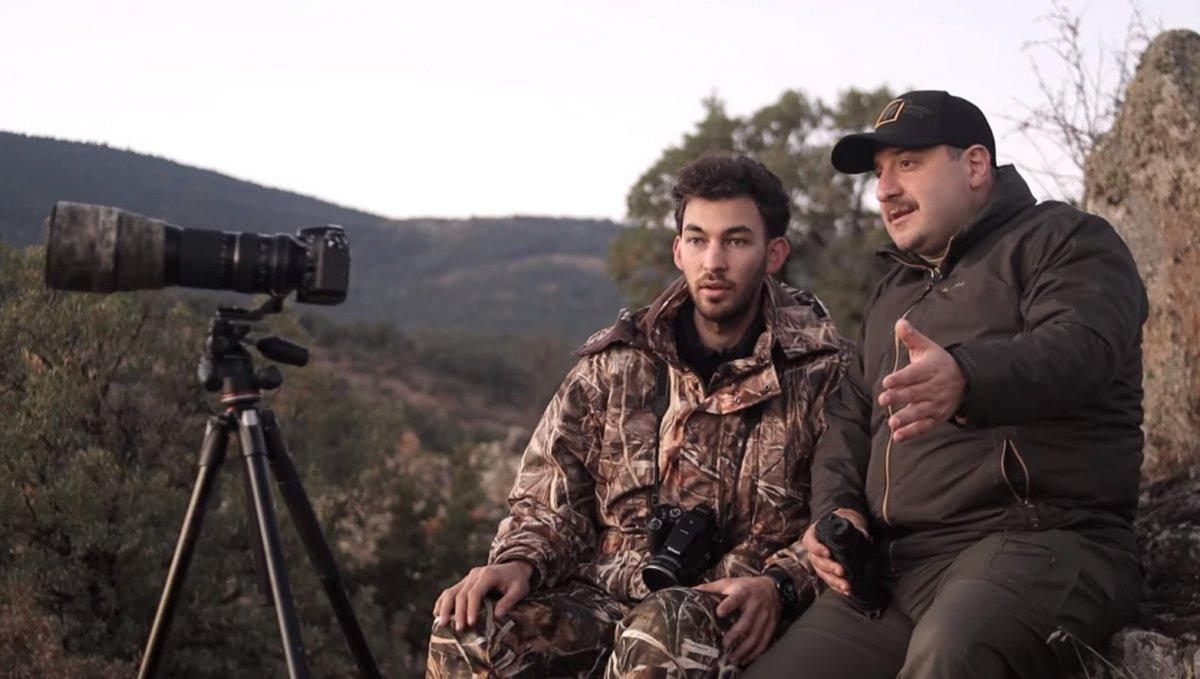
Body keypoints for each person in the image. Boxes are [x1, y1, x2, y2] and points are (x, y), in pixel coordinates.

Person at [746, 90, 1147, 678]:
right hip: (897, 570)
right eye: (880, 172)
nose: (884, 190)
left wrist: (965, 377)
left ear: (975, 165)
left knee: (950, 657)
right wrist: (840, 511)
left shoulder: (1065, 241)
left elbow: (1083, 348)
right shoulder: (894, 292)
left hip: (1045, 541)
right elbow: (851, 417)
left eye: (907, 164)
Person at [425, 154, 852, 677]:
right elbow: (549, 501)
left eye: (736, 241)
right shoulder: (616, 364)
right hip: (603, 596)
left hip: (725, 607)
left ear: (774, 253)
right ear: (678, 250)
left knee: (662, 635)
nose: (712, 261)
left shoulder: (825, 373)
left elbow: (850, 517)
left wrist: (782, 585)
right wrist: (519, 561)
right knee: (471, 627)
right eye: (697, 239)